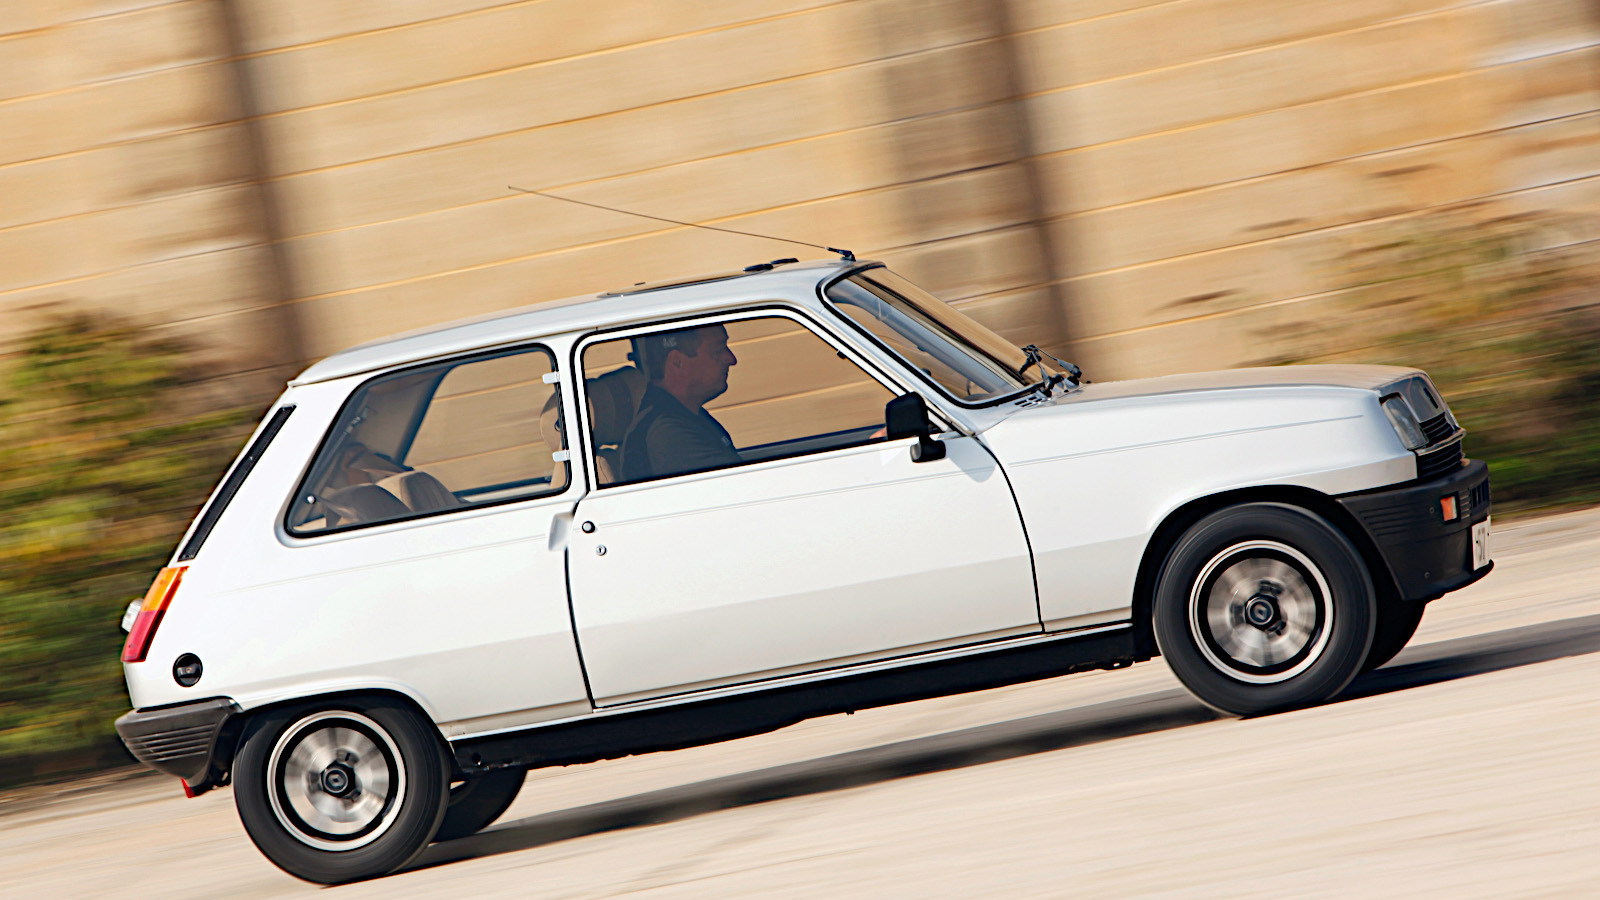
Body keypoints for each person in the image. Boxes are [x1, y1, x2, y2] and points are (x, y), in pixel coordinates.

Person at [619, 324, 741, 482]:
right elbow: (736, 486)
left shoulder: (688, 416)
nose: (731, 359)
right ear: (677, 362)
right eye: (718, 350)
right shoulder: (668, 433)